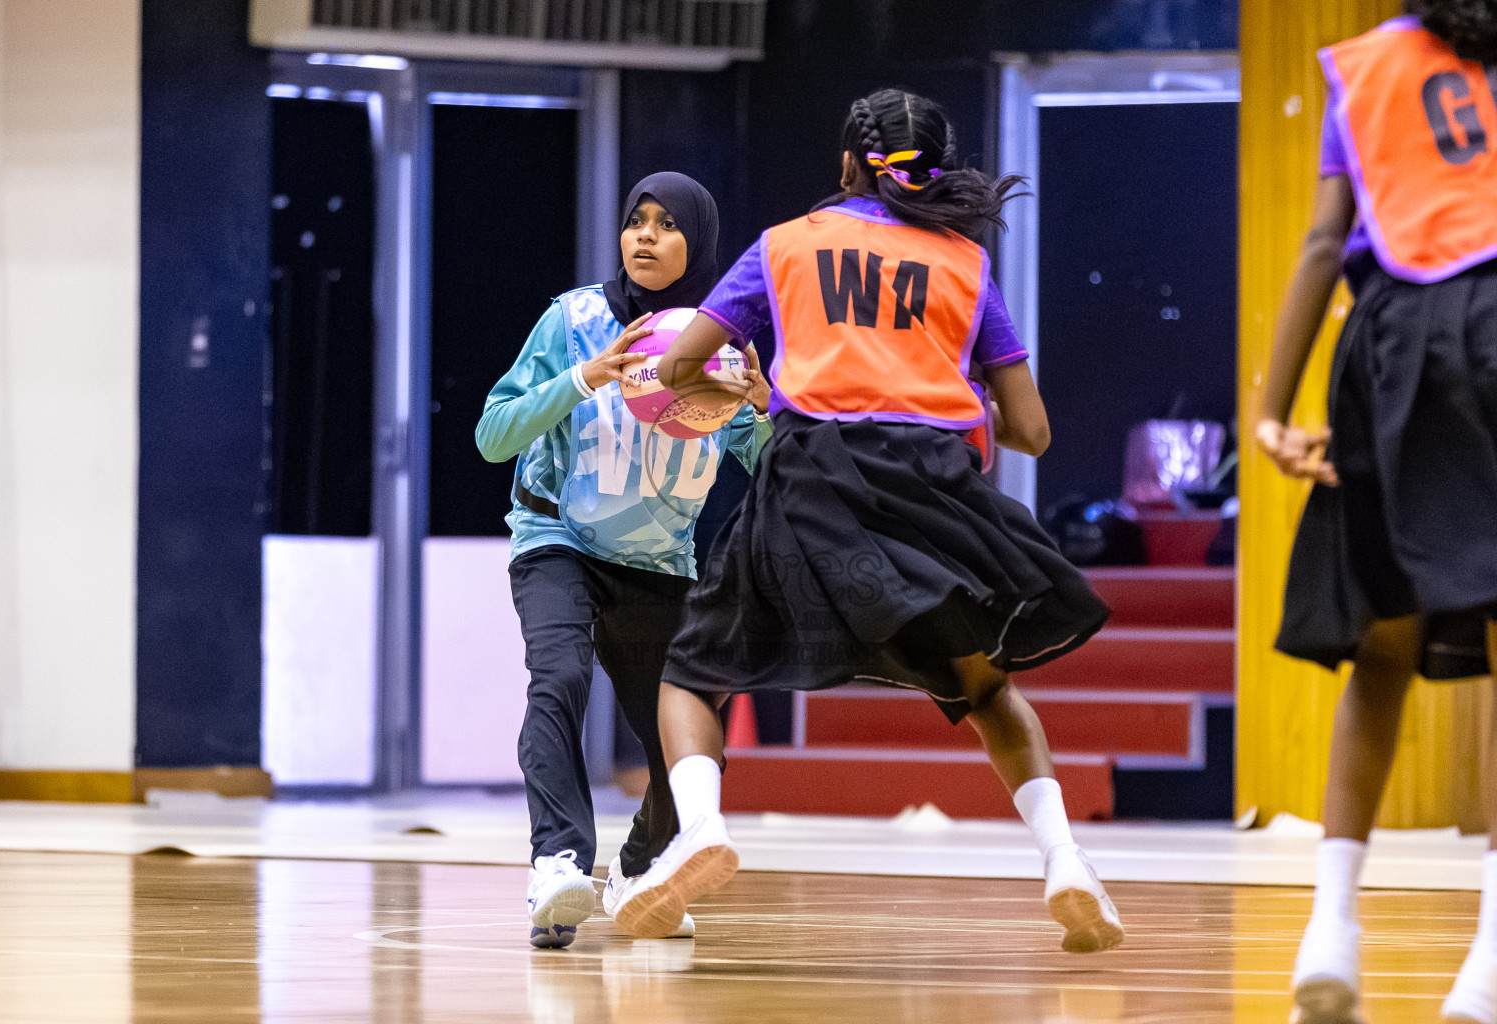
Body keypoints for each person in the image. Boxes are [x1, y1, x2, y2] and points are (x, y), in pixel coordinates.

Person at [609, 88, 1124, 954]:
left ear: (847, 163)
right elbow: (1032, 431)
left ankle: (701, 830)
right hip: (930, 489)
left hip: (812, 479)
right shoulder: (965, 265)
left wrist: (732, 390)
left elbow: (686, 365)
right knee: (989, 690)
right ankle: (1066, 860)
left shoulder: (784, 247)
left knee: (695, 673)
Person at [1252, 2, 1497, 1021]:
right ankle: (1485, 964)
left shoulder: (1361, 65)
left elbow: (1322, 243)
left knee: (1381, 640)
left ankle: (1332, 930)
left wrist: (1271, 410)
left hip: (1393, 344)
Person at [475, 172, 773, 948]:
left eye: (666, 225)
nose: (644, 235)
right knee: (561, 678)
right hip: (557, 543)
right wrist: (584, 378)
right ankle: (557, 866)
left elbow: (769, 462)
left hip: (658, 561)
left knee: (692, 742)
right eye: (635, 220)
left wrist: (765, 412)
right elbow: (492, 434)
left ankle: (641, 870)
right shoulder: (571, 321)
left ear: (697, 246)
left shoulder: (724, 345)